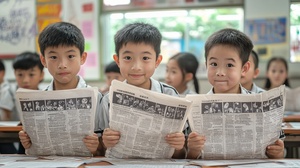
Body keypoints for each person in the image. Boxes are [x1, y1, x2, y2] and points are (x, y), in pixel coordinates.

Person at [186, 28, 284, 159]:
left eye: (229, 65)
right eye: (214, 64)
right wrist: (193, 150)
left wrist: (277, 152)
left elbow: (280, 153)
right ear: (206, 65)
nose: (220, 72)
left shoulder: (262, 103)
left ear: (244, 69)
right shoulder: (194, 107)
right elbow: (189, 158)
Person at [95, 22, 186, 158]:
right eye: (127, 58)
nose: (136, 67)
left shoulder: (170, 95)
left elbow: (181, 154)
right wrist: (105, 142)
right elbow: (100, 151)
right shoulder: (108, 100)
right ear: (117, 60)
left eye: (145, 58)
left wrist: (178, 146)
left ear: (157, 61)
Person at [18, 22, 100, 156]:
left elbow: (105, 149)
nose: (62, 65)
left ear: (82, 58)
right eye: (54, 57)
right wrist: (28, 144)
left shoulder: (97, 98)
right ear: (43, 60)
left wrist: (96, 147)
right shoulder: (36, 100)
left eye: (70, 56)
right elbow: (31, 149)